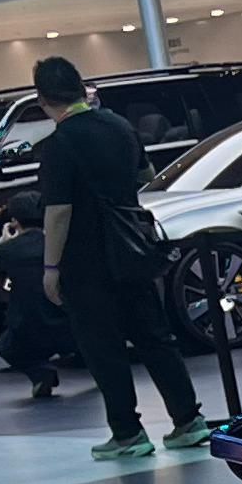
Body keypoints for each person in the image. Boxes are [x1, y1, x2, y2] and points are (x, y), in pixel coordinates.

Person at [34, 56, 208, 462]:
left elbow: (58, 212)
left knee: (103, 347)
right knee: (155, 338)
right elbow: (146, 174)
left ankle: (128, 432)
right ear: (80, 86)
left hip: (84, 261)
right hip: (132, 248)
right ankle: (188, 420)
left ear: (42, 99)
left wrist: (50, 268)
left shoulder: (58, 144)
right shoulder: (118, 126)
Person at [0, 192, 65, 399]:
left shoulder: (6, 250)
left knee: (6, 348)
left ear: (14, 221)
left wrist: (5, 244)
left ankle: (40, 372)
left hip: (27, 327)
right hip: (68, 321)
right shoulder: (58, 242)